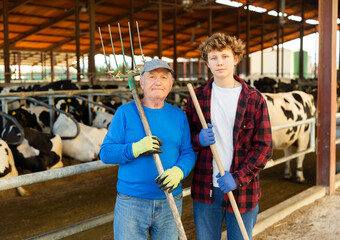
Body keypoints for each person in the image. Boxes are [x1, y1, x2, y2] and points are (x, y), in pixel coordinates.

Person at [186, 32, 273, 240]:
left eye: (224, 56)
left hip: (243, 189)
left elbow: (265, 147)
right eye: (213, 58)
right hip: (206, 188)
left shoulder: (254, 99)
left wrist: (238, 177)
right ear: (207, 63)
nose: (219, 63)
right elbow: (185, 138)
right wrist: (198, 139)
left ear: (235, 58)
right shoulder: (197, 97)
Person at [99, 58, 196, 240]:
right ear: (141, 82)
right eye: (151, 76)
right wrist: (135, 148)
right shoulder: (125, 113)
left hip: (170, 200)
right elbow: (105, 153)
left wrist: (178, 171)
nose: (158, 82)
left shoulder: (179, 116)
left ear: (171, 83)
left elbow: (188, 152)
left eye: (164, 77)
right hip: (132, 202)